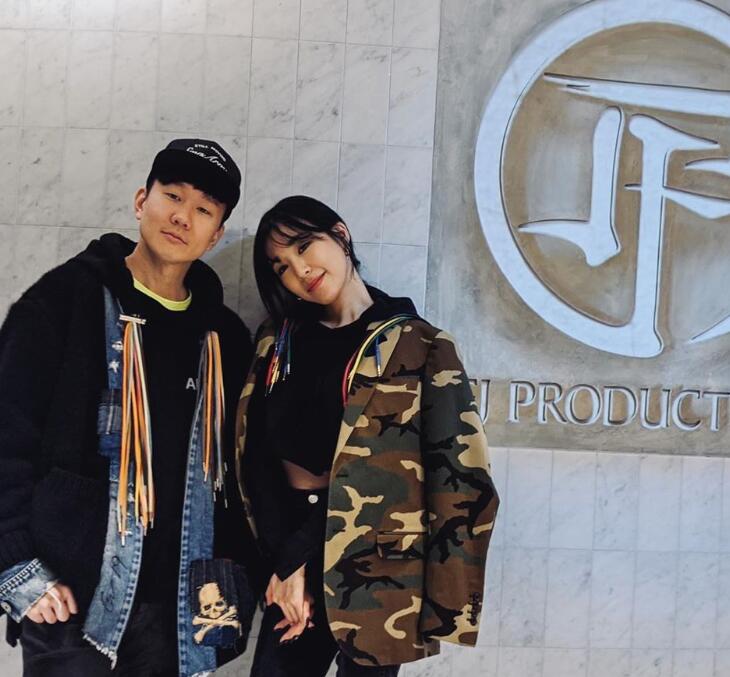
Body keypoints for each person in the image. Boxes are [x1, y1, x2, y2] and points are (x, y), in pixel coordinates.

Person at [0, 139, 259, 677]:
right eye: (173, 196)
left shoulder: (225, 338)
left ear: (216, 235)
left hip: (178, 611)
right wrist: (14, 562)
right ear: (142, 200)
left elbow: (242, 474)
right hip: (72, 599)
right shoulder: (65, 298)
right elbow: (7, 430)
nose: (183, 216)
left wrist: (237, 580)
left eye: (204, 209)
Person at [236, 196, 499, 676]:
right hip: (286, 546)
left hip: (378, 571)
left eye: (304, 245)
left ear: (340, 233)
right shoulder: (278, 341)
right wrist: (284, 564)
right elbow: (252, 456)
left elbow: (461, 477)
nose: (299, 270)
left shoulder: (420, 345)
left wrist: (447, 605)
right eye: (281, 267)